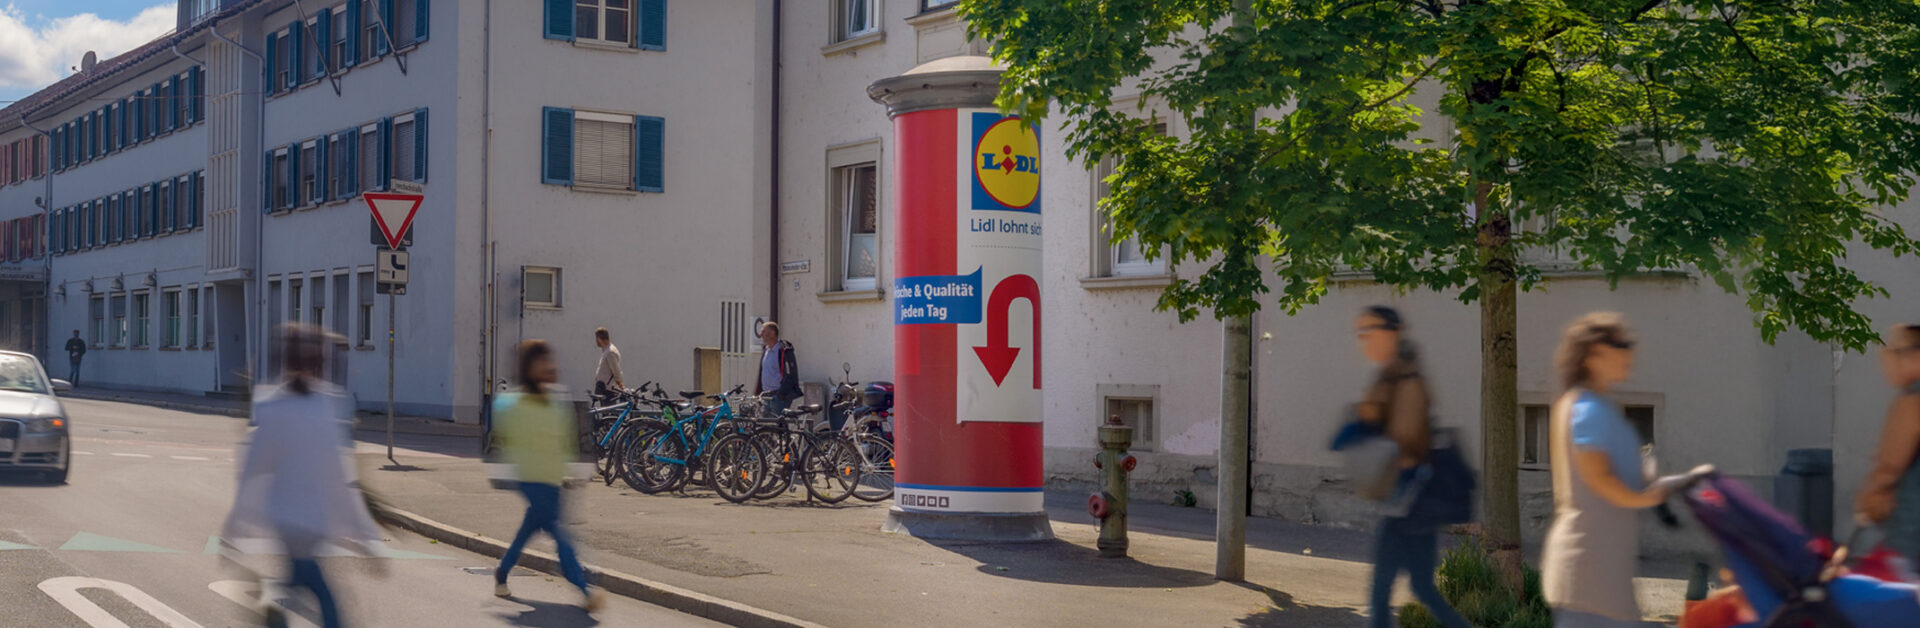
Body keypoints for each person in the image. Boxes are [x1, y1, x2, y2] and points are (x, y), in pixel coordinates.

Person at [1541, 312, 1712, 627]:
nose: (1630, 351)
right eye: (1621, 343)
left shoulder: (1604, 408)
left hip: (1606, 574)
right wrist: (1647, 498)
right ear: (1594, 354)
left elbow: (1638, 481)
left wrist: (1688, 479)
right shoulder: (1585, 409)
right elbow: (1600, 480)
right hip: (1587, 571)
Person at [220, 323, 387, 628]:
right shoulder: (323, 406)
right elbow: (338, 477)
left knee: (302, 580)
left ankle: (271, 605)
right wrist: (365, 538)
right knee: (319, 591)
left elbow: (252, 472)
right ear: (318, 366)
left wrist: (233, 529)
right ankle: (272, 607)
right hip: (312, 521)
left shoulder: (275, 407)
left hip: (285, 520)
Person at [1352, 306, 1471, 628]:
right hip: (1413, 499)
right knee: (1422, 588)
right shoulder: (1394, 375)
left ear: (1391, 332)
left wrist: (1369, 426)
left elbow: (1405, 440)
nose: (1362, 339)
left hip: (1408, 499)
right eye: (1360, 332)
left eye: (1368, 331)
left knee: (1381, 590)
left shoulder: (1405, 379)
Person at [493, 339, 604, 612]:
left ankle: (502, 573)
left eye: (548, 359)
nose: (546, 364)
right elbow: (505, 434)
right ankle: (583, 588)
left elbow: (565, 440)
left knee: (529, 528)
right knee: (559, 532)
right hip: (530, 478)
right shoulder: (514, 403)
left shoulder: (555, 398)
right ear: (528, 366)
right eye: (539, 360)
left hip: (553, 479)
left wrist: (571, 472)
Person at [1857, 323, 1920, 562]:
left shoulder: (1912, 401)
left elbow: (1889, 466)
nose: (1887, 364)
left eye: (1893, 353)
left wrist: (1871, 497)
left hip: (1911, 536)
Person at [753, 321, 800, 415]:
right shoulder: (765, 351)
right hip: (765, 397)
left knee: (778, 426)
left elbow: (790, 375)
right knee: (764, 427)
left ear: (772, 334)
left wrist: (781, 394)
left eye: (763, 332)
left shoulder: (784, 351)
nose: (761, 335)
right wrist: (758, 394)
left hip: (778, 397)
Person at [592, 327, 623, 400]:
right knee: (604, 410)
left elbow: (616, 371)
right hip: (604, 388)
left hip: (608, 390)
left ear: (599, 338)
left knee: (608, 410)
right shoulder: (606, 351)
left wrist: (620, 385)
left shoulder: (610, 352)